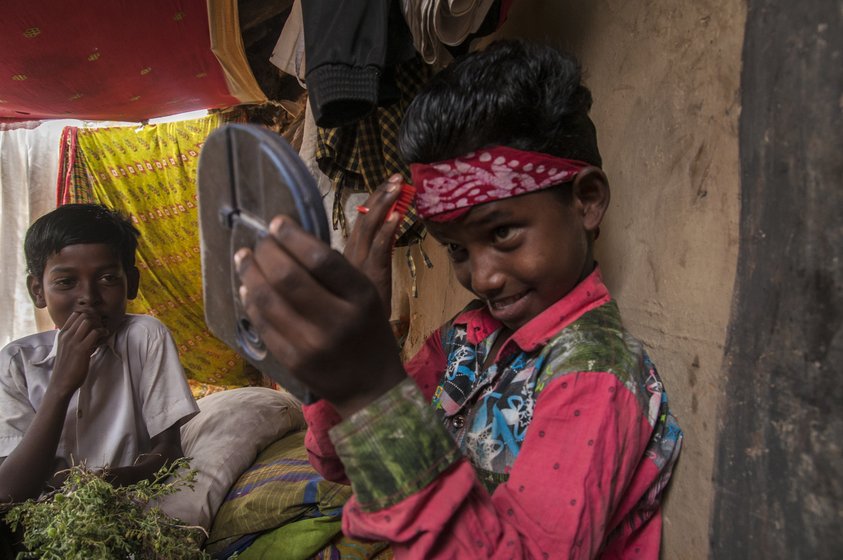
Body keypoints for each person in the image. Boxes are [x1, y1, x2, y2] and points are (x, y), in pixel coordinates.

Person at [235, 39, 683, 558]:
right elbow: (338, 461)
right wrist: (348, 364)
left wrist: (371, 388)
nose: (485, 278)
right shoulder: (470, 337)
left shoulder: (596, 374)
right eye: (456, 249)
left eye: (503, 234)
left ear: (586, 201)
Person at [0, 204, 198, 504]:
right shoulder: (16, 362)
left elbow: (169, 450)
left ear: (131, 283)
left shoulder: (145, 337)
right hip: (40, 525)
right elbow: (9, 493)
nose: (88, 298)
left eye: (107, 279)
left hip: (128, 508)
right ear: (38, 291)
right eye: (66, 282)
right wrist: (61, 386)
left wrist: (109, 481)